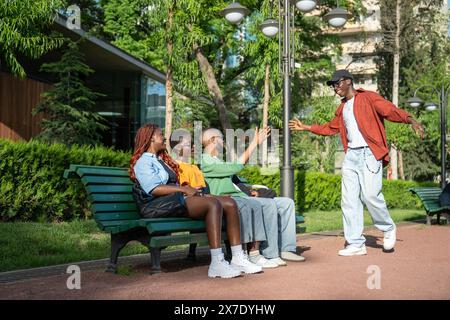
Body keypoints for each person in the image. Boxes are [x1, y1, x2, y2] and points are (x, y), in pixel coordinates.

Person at [289, 69, 424, 256]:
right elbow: (330, 127)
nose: (335, 88)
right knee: (349, 200)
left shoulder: (368, 98)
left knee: (370, 195)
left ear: (348, 81)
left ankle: (387, 227)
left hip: (370, 153)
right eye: (333, 86)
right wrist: (306, 127)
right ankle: (355, 243)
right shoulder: (342, 108)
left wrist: (410, 120)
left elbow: (390, 110)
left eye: (337, 84)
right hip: (351, 156)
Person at [129, 124, 262, 278]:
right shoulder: (144, 161)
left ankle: (238, 257)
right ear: (151, 137)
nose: (164, 137)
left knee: (229, 202)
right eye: (161, 134)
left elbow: (172, 185)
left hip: (172, 200)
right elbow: (154, 189)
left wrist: (191, 189)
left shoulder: (160, 160)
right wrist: (184, 190)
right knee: (213, 203)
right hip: (155, 206)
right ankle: (217, 262)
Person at [201, 127, 306, 266]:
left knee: (286, 202)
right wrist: (254, 143)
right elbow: (237, 166)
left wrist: (250, 190)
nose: (224, 142)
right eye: (222, 138)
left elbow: (235, 179)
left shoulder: (217, 159)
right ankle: (269, 253)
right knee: (267, 204)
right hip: (228, 200)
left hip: (240, 196)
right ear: (213, 140)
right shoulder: (205, 160)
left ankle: (286, 249)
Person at [169, 135, 269, 263]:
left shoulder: (194, 167)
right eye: (189, 144)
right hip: (191, 204)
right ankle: (234, 255)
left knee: (232, 203)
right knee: (232, 204)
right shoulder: (177, 167)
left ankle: (238, 255)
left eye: (192, 143)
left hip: (203, 200)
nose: (193, 146)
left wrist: (211, 195)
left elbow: (203, 189)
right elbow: (185, 190)